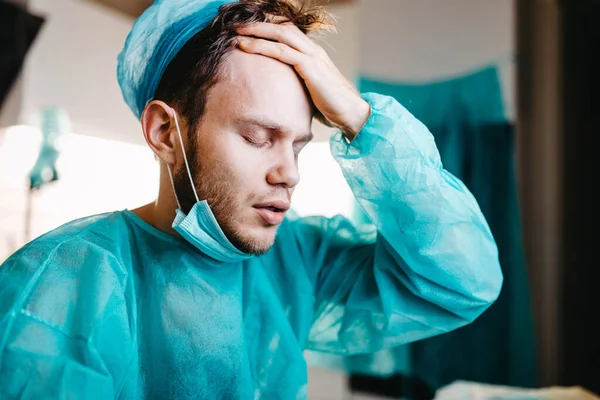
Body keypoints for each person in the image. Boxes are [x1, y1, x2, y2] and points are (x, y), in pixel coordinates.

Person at [0, 0, 503, 398]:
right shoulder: (62, 283)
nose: (289, 174)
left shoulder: (298, 261)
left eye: (299, 144)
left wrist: (361, 118)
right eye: (259, 136)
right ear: (165, 133)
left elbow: (462, 282)